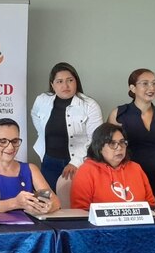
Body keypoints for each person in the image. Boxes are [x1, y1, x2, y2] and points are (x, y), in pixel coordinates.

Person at [31, 62, 103, 192]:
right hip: (49, 161)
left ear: (76, 81)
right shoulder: (42, 100)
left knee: (73, 205)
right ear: (52, 84)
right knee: (47, 201)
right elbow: (35, 114)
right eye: (59, 81)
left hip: (79, 163)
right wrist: (42, 133)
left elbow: (95, 138)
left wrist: (75, 162)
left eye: (70, 80)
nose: (65, 85)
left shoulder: (90, 105)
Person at [0, 118, 60, 215]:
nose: (10, 147)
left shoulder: (31, 169)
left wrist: (47, 207)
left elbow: (55, 202)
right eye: (3, 141)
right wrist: (16, 203)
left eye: (14, 141)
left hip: (30, 227)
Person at [107, 68, 155, 194]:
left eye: (154, 83)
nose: (151, 88)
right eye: (145, 83)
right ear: (132, 88)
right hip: (127, 175)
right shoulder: (120, 113)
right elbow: (108, 145)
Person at [70, 123, 155, 210]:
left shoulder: (136, 168)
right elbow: (80, 211)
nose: (119, 148)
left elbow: (151, 205)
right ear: (99, 148)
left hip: (139, 223)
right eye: (112, 143)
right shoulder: (86, 171)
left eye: (122, 142)